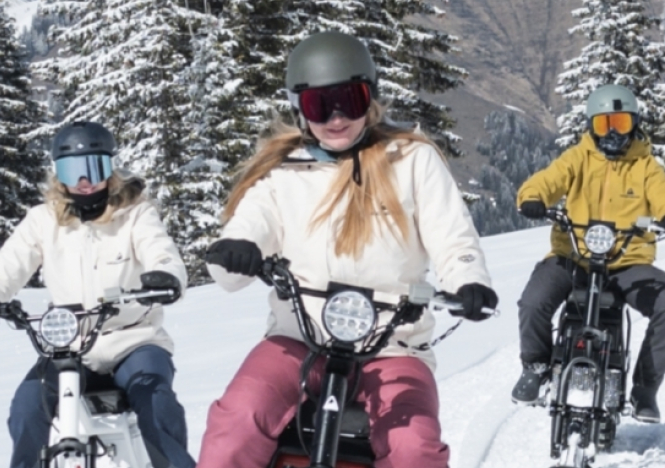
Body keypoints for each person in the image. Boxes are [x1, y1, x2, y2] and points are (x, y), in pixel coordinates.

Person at [197, 31, 497, 468]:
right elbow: (249, 229)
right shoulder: (283, 173)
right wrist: (236, 249)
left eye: (349, 102)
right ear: (300, 108)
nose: (336, 118)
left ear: (370, 100)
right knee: (237, 420)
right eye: (320, 105)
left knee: (414, 447)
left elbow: (452, 237)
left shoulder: (410, 160)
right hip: (299, 339)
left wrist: (469, 281)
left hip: (393, 344)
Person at [0, 120, 195, 468]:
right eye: (73, 171)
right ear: (58, 175)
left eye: (94, 168)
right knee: (27, 406)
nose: (84, 182)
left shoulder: (135, 215)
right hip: (69, 346)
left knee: (156, 401)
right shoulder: (43, 220)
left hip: (133, 341)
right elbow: (7, 268)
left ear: (110, 170)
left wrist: (163, 277)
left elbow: (160, 251)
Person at [511, 83, 665, 423]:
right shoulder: (579, 157)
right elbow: (548, 180)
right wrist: (533, 198)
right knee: (533, 301)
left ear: (634, 124)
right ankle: (535, 367)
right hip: (574, 254)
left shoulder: (645, 165)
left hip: (628, 261)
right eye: (603, 124)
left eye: (620, 124)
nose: (611, 134)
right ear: (590, 126)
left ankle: (644, 389)